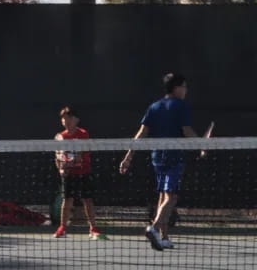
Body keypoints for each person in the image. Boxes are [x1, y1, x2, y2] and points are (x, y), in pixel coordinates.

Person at [119, 73, 198, 251]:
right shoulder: (181, 106)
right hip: (173, 157)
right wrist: (202, 144)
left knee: (163, 195)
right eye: (184, 87)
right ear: (176, 88)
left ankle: (164, 237)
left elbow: (141, 134)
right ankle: (154, 228)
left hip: (157, 158)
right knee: (172, 196)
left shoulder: (154, 107)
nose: (186, 91)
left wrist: (128, 157)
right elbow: (186, 130)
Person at [53, 106, 103, 239]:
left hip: (83, 172)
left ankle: (93, 228)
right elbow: (57, 156)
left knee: (87, 200)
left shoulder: (83, 134)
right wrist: (61, 169)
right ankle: (62, 228)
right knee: (67, 200)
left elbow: (80, 154)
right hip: (69, 175)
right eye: (63, 119)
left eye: (68, 118)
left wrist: (70, 163)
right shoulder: (60, 137)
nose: (65, 121)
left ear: (76, 120)